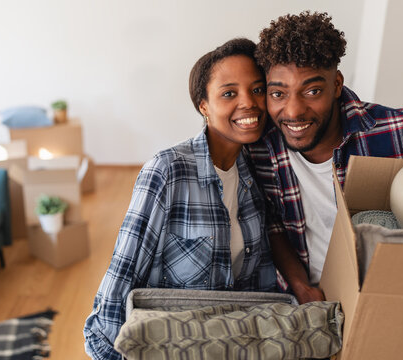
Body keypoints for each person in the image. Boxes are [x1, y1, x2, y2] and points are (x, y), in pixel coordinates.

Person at [246, 11, 403, 304]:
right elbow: (272, 223)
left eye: (312, 91)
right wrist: (300, 285)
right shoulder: (262, 149)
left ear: (337, 85)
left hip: (399, 295)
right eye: (278, 94)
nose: (293, 111)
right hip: (312, 303)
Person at [83, 38, 278, 359]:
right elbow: (122, 274)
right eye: (229, 93)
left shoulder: (256, 175)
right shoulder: (167, 170)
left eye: (257, 89)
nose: (249, 102)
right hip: (161, 346)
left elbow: (261, 286)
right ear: (203, 106)